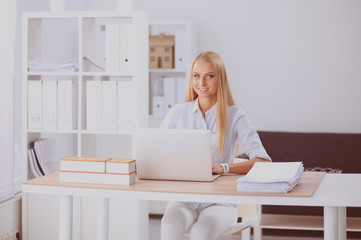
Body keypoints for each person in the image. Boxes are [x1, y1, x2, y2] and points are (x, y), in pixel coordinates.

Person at [160, 51, 271, 240]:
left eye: (209, 76)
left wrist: (224, 168)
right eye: (197, 76)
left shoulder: (235, 115)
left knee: (201, 233)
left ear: (220, 79)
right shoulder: (178, 113)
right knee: (169, 227)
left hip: (220, 203)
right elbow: (157, 151)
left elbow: (262, 161)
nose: (201, 83)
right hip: (184, 199)